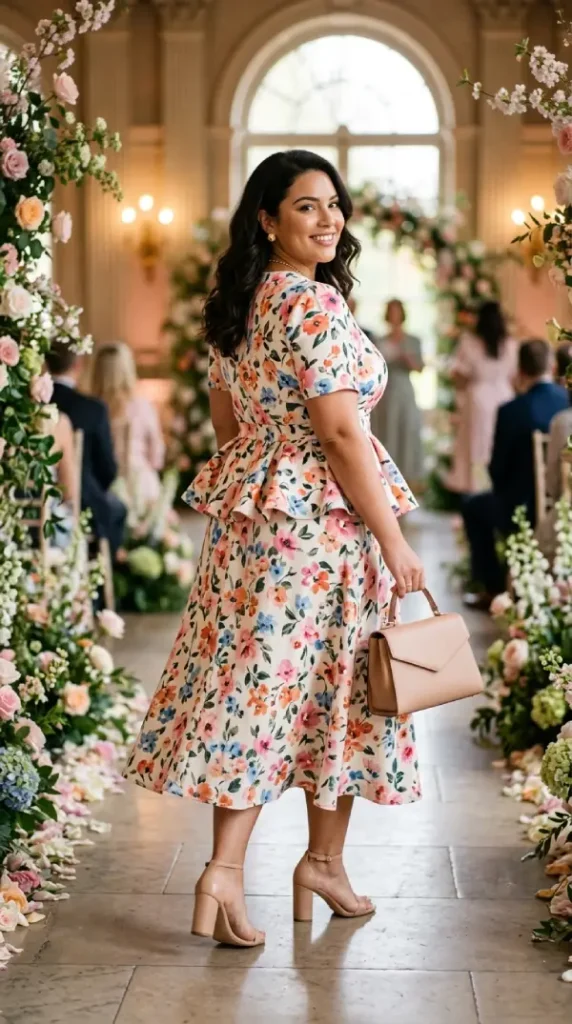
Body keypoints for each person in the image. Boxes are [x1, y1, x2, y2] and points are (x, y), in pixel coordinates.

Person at [124, 149, 425, 947]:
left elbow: (228, 427)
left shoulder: (237, 305)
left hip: (256, 525)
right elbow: (340, 434)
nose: (328, 219)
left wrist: (268, 483)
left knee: (257, 693)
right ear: (267, 220)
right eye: (305, 206)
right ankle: (309, 863)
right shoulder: (315, 307)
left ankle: (237, 871)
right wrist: (393, 540)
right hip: (324, 531)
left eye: (334, 204)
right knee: (339, 691)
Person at [462, 339, 568, 605]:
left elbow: (497, 471)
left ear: (520, 370)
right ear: (552, 367)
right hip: (561, 508)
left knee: (473, 506)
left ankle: (493, 589)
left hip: (519, 506)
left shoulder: (510, 410)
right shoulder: (565, 405)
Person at [45, 342, 126, 555]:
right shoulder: (93, 409)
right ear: (78, 364)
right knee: (117, 510)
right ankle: (103, 567)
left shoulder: (30, 407)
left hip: (36, 503)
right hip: (81, 499)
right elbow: (107, 469)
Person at [446, 301, 518, 496]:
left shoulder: (469, 342)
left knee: (477, 447)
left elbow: (458, 375)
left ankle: (477, 490)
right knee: (500, 445)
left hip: (478, 397)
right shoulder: (510, 344)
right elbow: (515, 376)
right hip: (505, 396)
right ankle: (499, 487)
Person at [90, 341, 165, 508]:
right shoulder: (143, 406)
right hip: (141, 488)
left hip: (102, 490)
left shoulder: (91, 410)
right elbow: (156, 458)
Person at [371, 299, 424, 487]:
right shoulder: (379, 340)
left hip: (404, 390)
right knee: (387, 431)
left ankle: (408, 479)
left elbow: (420, 367)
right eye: (391, 311)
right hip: (386, 391)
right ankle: (386, 478)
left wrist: (407, 358)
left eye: (397, 311)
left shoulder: (413, 340)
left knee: (407, 430)